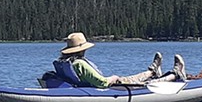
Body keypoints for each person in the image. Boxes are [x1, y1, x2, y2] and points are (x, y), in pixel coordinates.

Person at [58, 32, 187, 88]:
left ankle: (152, 71)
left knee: (132, 78)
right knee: (139, 83)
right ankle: (175, 74)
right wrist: (112, 78)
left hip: (96, 85)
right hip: (110, 86)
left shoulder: (68, 63)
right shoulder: (80, 64)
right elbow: (101, 83)